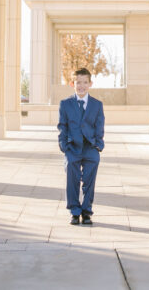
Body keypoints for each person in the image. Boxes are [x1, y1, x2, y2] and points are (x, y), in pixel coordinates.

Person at [57, 67, 105, 225]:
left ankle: (86, 211)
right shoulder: (65, 104)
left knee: (89, 181)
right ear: (72, 84)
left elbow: (99, 126)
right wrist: (64, 146)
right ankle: (74, 211)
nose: (81, 86)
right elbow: (63, 126)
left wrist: (98, 145)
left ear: (90, 84)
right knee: (72, 180)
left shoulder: (97, 105)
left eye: (85, 82)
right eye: (78, 82)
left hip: (91, 147)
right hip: (73, 148)